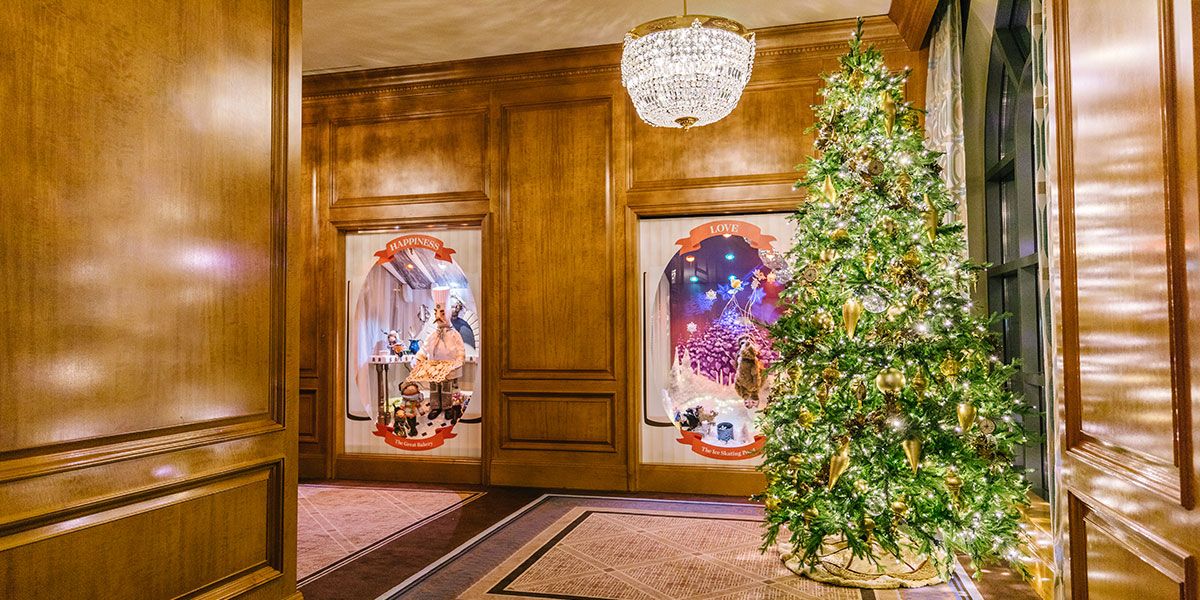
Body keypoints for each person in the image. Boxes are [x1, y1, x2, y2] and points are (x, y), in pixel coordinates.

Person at [416, 286, 465, 420]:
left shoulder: (455, 334)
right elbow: (424, 348)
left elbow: (461, 349)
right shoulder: (433, 335)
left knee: (446, 388)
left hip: (448, 368)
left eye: (442, 313)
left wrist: (459, 360)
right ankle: (435, 406)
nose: (438, 317)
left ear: (448, 314)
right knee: (434, 387)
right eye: (437, 312)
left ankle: (447, 407)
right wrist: (419, 357)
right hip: (434, 367)